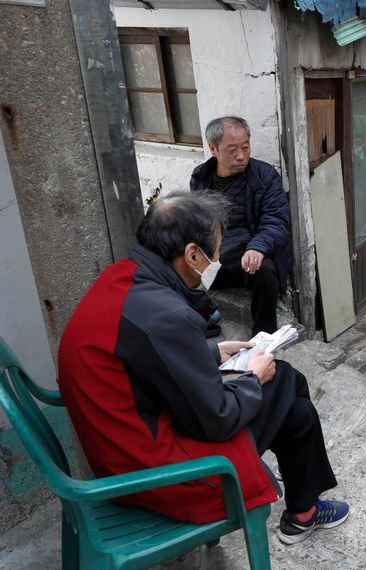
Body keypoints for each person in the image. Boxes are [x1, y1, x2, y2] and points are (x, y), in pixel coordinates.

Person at [57, 193, 348, 546]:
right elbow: (218, 417)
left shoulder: (123, 277)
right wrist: (254, 376)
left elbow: (146, 355)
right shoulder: (167, 315)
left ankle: (304, 511)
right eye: (216, 253)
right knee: (284, 380)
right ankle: (304, 511)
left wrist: (210, 351)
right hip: (155, 470)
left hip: (124, 444)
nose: (218, 261)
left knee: (293, 407)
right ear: (193, 255)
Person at [190, 116, 292, 336]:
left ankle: (264, 335)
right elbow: (198, 220)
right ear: (213, 149)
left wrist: (257, 247)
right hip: (218, 255)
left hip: (249, 253)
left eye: (245, 147)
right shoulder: (201, 177)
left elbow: (276, 220)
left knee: (264, 271)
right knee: (179, 260)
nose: (241, 155)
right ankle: (199, 321)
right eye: (232, 149)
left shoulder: (264, 176)